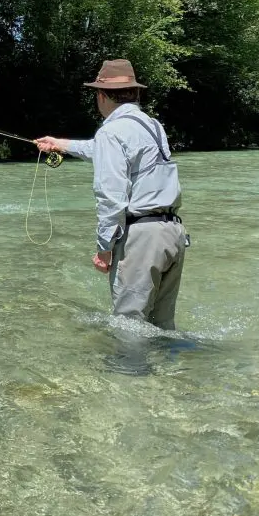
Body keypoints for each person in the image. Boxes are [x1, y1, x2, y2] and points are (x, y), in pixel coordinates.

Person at [35, 59, 187, 331]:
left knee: (129, 327)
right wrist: (60, 144)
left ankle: (126, 374)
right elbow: (100, 149)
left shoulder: (111, 132)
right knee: (162, 327)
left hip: (142, 238)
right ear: (134, 93)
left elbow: (111, 197)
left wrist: (104, 249)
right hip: (172, 234)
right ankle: (169, 374)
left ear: (102, 96)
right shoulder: (152, 125)